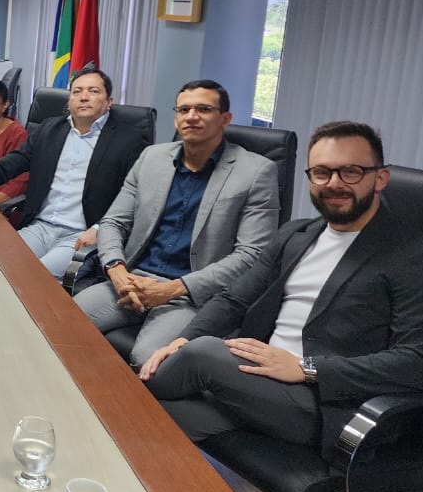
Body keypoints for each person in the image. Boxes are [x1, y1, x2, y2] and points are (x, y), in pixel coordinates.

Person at [141, 122, 423, 455]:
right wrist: (180, 340)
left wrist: (308, 369)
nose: (334, 183)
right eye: (322, 172)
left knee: (202, 355)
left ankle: (122, 386)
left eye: (350, 171)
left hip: (327, 404)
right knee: (150, 419)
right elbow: (235, 299)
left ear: (380, 178)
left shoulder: (416, 258)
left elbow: (420, 364)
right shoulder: (296, 235)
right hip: (258, 385)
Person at [73, 79, 279, 366]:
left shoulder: (256, 172)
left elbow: (252, 255)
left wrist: (173, 289)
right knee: (63, 325)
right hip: (132, 279)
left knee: (148, 359)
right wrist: (116, 270)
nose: (191, 116)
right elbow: (113, 222)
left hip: (191, 293)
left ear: (225, 119)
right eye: (184, 109)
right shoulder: (151, 158)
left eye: (203, 109)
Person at [0, 69, 149, 275]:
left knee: (35, 276)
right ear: (69, 101)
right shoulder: (50, 129)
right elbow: (10, 164)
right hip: (40, 226)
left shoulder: (128, 140)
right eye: (77, 92)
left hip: (82, 234)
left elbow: (133, 196)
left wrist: (99, 229)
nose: (84, 97)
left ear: (109, 101)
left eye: (93, 91)